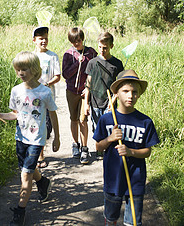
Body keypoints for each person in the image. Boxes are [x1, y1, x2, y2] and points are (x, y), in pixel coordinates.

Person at [0, 51, 60, 226]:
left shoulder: (44, 92)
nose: (20, 73)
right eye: (18, 69)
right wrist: (2, 115)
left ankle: (20, 211)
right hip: (20, 137)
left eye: (24, 69)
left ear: (34, 69)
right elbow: (15, 114)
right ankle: (43, 183)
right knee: (27, 169)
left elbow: (53, 114)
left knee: (25, 175)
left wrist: (57, 137)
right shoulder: (16, 91)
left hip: (37, 139)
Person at [93, 70, 160, 226]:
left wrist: (131, 152)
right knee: (111, 218)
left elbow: (147, 152)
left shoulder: (145, 121)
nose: (130, 96)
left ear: (139, 94)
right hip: (113, 179)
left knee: (133, 222)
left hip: (135, 180)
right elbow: (98, 147)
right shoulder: (107, 119)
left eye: (134, 92)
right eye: (125, 91)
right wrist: (110, 138)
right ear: (116, 93)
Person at [84, 32, 124, 159]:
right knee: (96, 127)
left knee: (110, 126)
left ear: (111, 46)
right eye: (100, 47)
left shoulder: (117, 63)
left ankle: (108, 151)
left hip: (110, 101)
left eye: (105, 47)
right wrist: (86, 103)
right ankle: (99, 150)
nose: (102, 50)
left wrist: (114, 99)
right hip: (95, 101)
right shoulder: (92, 62)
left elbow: (119, 85)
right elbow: (88, 84)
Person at [62, 27, 97, 164]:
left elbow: (94, 71)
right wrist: (77, 63)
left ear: (82, 38)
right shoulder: (68, 54)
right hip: (71, 91)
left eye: (78, 40)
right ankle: (75, 144)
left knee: (83, 119)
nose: (76, 43)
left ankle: (84, 148)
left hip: (85, 92)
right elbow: (65, 74)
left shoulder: (91, 52)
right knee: (74, 119)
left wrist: (89, 88)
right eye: (73, 41)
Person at [32, 26, 61, 168]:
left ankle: (43, 148)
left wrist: (47, 83)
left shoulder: (52, 56)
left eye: (46, 38)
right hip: (33, 97)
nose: (44, 41)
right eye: (40, 38)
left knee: (46, 126)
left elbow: (57, 76)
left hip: (48, 95)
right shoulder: (31, 57)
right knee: (36, 124)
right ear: (34, 40)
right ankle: (40, 155)